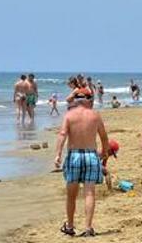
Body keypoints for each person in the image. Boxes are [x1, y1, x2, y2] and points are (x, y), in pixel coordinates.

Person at [54, 91, 110, 237]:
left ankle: (71, 226)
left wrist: (58, 154)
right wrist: (104, 152)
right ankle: (88, 227)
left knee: (71, 194)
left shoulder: (69, 115)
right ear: (87, 100)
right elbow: (104, 136)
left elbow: (62, 134)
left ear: (75, 101)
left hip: (74, 155)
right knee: (89, 193)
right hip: (91, 155)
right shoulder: (94, 115)